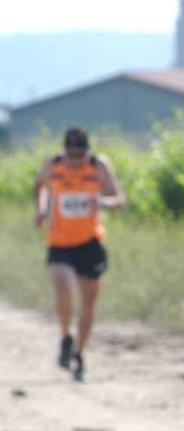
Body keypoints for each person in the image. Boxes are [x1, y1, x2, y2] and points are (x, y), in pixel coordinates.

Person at [33, 126, 127, 382]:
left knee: (88, 303)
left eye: (80, 156)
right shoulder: (52, 166)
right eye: (71, 156)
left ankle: (79, 354)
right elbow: (41, 188)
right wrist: (42, 210)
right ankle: (65, 336)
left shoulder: (98, 166)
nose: (76, 162)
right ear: (65, 152)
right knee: (63, 289)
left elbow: (120, 199)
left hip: (90, 242)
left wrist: (103, 202)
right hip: (59, 241)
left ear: (87, 152)